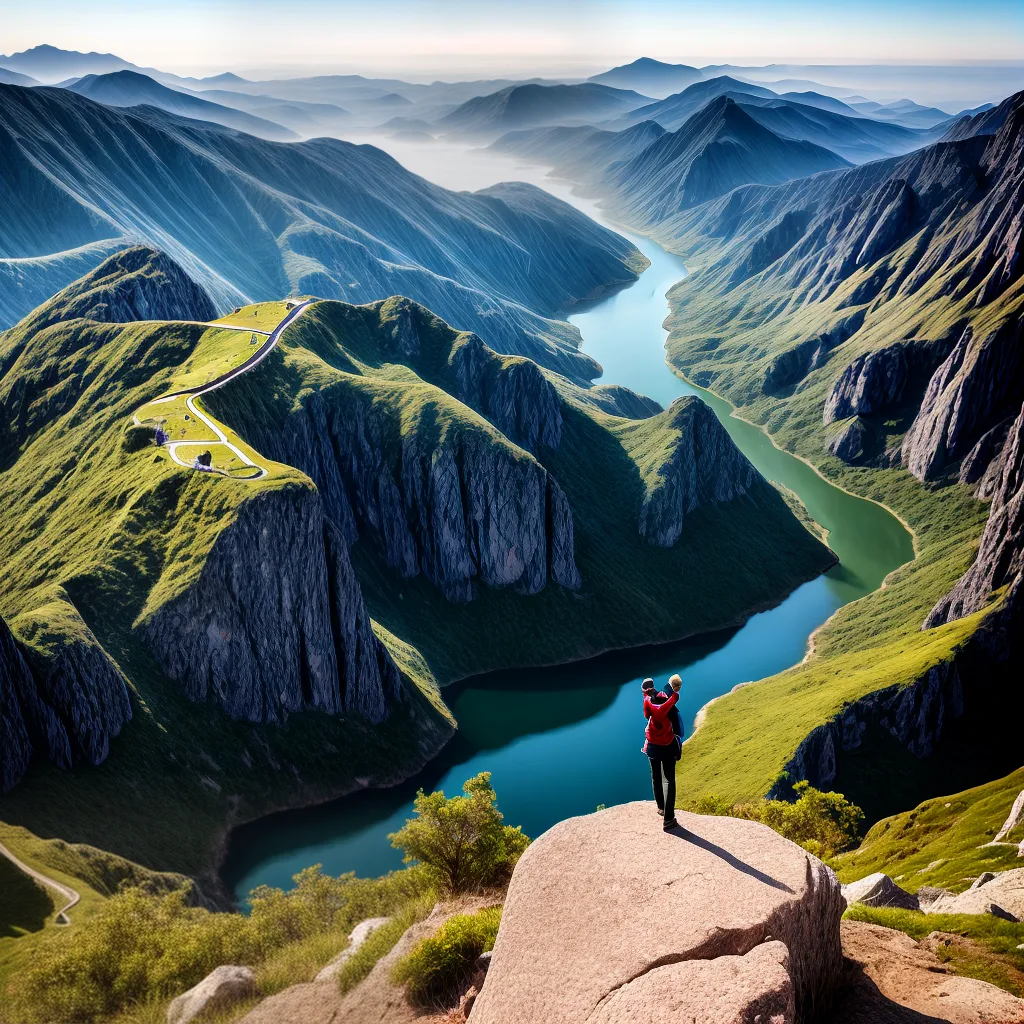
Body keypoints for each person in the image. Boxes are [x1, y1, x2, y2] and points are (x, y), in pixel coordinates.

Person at [642, 674, 682, 830]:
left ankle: (661, 807)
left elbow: (647, 715)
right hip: (667, 744)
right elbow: (671, 701)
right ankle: (669, 819)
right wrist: (674, 692)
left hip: (652, 744)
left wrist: (650, 694)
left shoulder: (647, 702)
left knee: (656, 775)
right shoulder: (668, 703)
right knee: (669, 780)